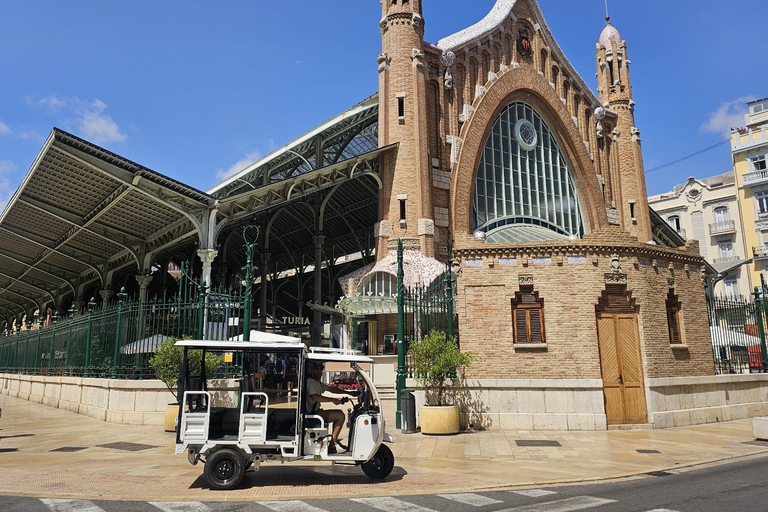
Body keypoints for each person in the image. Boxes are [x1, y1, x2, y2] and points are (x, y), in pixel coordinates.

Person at [305, 361, 356, 453]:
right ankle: (332, 445)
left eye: (321, 369)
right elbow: (314, 397)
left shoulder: (318, 383)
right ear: (311, 370)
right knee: (340, 415)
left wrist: (348, 392)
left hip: (317, 411)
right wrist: (332, 400)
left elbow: (331, 389)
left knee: (339, 413)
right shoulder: (310, 382)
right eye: (317, 369)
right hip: (313, 414)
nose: (319, 372)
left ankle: (333, 442)